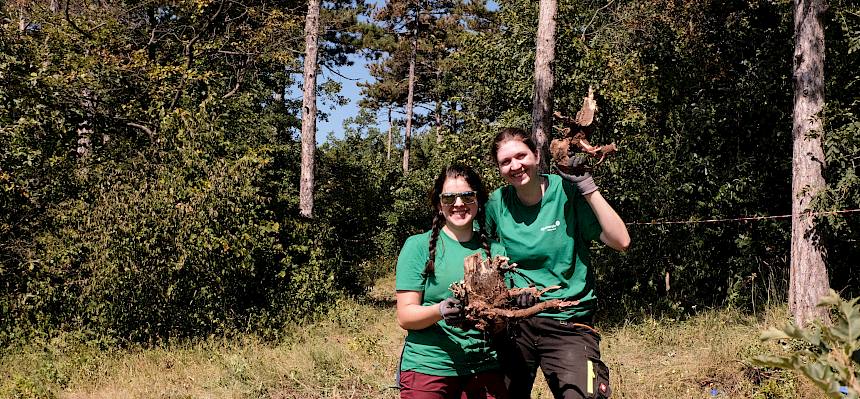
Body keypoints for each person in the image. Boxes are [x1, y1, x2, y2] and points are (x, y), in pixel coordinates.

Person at [485, 127, 631, 399]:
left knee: (585, 395)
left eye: (521, 155)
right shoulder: (497, 203)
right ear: (499, 168)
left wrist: (587, 187)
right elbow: (485, 256)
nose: (515, 165)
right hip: (516, 324)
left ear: (537, 155)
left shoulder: (566, 192)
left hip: (569, 323)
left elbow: (621, 240)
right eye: (506, 161)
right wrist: (507, 294)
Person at [395, 164, 510, 399]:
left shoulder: (496, 251)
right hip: (429, 366)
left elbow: (501, 319)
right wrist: (440, 310)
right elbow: (405, 316)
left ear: (479, 200)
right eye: (449, 198)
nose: (458, 204)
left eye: (467, 195)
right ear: (439, 204)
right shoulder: (418, 246)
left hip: (485, 366)